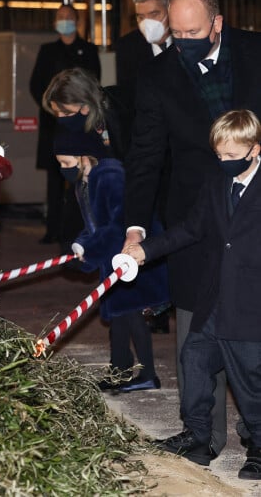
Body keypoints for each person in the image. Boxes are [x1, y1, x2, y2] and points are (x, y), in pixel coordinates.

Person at [122, 0, 261, 458]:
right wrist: (135, 225)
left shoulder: (255, 53)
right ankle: (200, 434)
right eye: (176, 34)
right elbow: (145, 156)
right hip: (195, 218)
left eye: (194, 31)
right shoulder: (158, 75)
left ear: (217, 24)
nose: (183, 42)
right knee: (194, 333)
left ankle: (259, 437)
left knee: (252, 330)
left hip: (255, 214)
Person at [126, 109, 261, 479]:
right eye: (219, 156)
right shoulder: (217, 183)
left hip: (251, 305)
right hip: (216, 299)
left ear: (255, 149)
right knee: (195, 361)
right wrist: (145, 250)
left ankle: (259, 448)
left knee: (251, 380)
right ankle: (198, 438)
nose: (224, 163)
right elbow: (190, 229)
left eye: (232, 156)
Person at [54, 117, 169, 392]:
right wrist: (81, 246)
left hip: (131, 256)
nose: (63, 169)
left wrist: (91, 249)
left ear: (83, 157)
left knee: (130, 313)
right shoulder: (85, 183)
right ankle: (120, 369)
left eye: (66, 163)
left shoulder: (110, 175)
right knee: (117, 316)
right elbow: (93, 226)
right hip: (113, 259)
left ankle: (148, 374)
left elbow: (118, 224)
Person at [114, 0, 173, 334]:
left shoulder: (184, 44)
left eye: (154, 14)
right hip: (147, 151)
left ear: (167, 11)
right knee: (148, 227)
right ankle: (156, 306)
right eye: (140, 16)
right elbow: (127, 102)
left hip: (179, 154)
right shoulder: (128, 48)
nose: (147, 22)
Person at [30, 4, 101, 245]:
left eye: (69, 17)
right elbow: (36, 84)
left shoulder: (88, 50)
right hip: (53, 124)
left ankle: (82, 228)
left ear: (78, 20)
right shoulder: (47, 50)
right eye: (61, 17)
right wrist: (56, 111)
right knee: (54, 176)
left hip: (82, 124)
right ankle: (53, 229)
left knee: (83, 175)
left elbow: (94, 84)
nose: (65, 21)